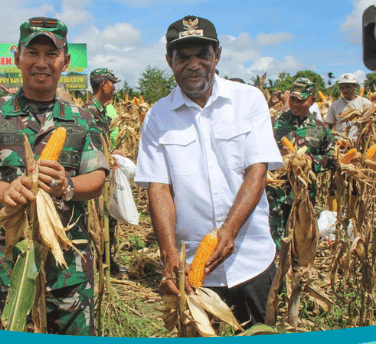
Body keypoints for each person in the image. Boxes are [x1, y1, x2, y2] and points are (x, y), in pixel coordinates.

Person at [0, 17, 109, 335]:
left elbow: (96, 178)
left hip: (68, 264)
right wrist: (2, 190)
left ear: (65, 61)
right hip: (7, 262)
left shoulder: (81, 119)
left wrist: (68, 186)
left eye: (51, 54)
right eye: (32, 53)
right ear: (17, 58)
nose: (41, 63)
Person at [134, 15, 284, 327]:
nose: (193, 65)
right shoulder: (157, 117)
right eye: (182, 56)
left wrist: (229, 230)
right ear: (169, 61)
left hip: (252, 260)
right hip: (192, 271)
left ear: (217, 56)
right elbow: (159, 189)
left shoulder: (248, 100)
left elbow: (257, 171)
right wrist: (168, 255)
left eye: (202, 55)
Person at [267, 78, 335, 248]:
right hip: (276, 191)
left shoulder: (319, 128)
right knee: (275, 238)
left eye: (302, 100)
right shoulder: (275, 122)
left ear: (312, 99)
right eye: (293, 99)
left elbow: (332, 157)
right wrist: (277, 156)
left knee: (301, 237)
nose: (296, 104)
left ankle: (297, 270)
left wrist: (313, 161)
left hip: (304, 192)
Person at [82, 68, 126, 274]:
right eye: (112, 83)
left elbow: (102, 143)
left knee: (108, 217)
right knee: (98, 218)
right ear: (103, 85)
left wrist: (113, 151)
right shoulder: (89, 112)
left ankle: (107, 258)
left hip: (106, 170)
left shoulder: (102, 111)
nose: (114, 88)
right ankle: (98, 259)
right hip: (94, 174)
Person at [324, 73, 372, 140]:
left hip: (359, 146)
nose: (345, 91)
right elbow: (328, 126)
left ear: (355, 86)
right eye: (342, 88)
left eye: (348, 87)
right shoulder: (335, 105)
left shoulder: (365, 103)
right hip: (340, 144)